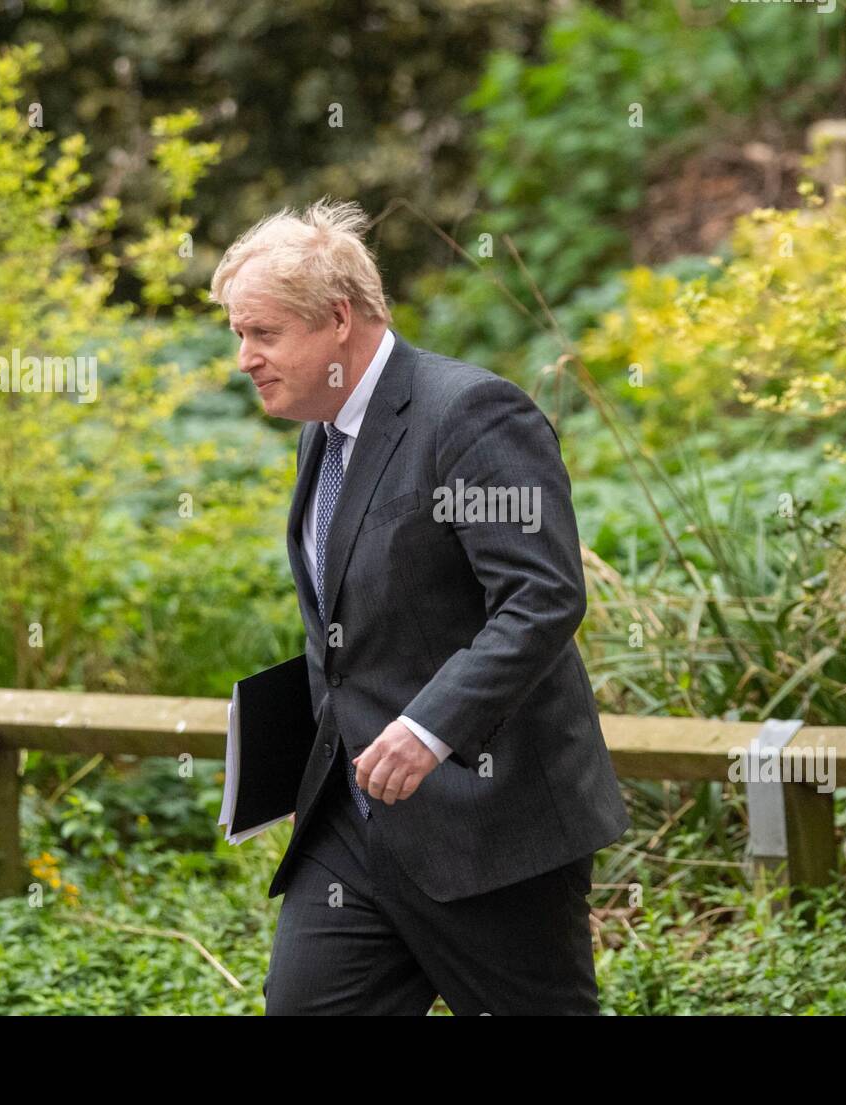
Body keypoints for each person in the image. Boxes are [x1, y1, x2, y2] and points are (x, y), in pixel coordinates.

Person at [209, 197, 631, 1015]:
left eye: (262, 334)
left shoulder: (471, 414)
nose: (243, 358)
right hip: (351, 832)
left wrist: (428, 727)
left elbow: (541, 596)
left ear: (337, 320)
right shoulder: (321, 432)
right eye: (238, 334)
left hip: (490, 826)